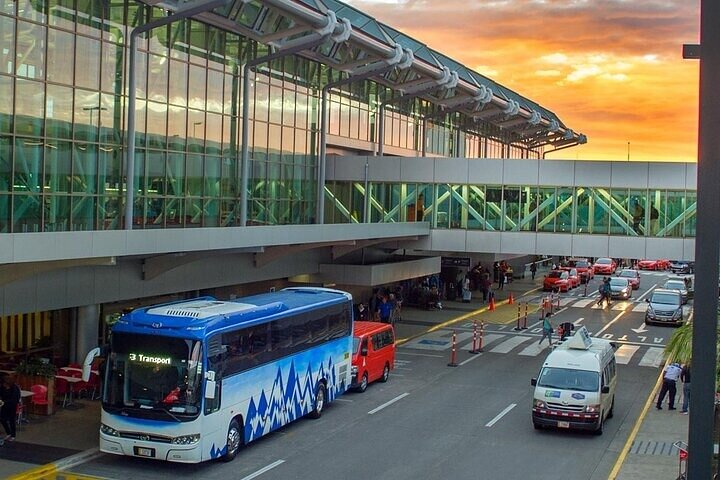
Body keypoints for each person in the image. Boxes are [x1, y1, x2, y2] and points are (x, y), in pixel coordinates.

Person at [0, 373, 21, 443]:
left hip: (12, 406)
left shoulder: (15, 388)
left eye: (5, 384)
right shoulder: (2, 387)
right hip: (4, 406)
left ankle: (13, 435)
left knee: (12, 421)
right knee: (2, 419)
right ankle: (8, 433)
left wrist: (5, 402)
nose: (3, 385)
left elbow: (15, 399)